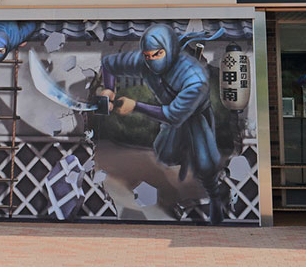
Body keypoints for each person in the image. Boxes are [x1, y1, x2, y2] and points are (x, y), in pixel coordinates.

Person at [97, 23, 229, 224]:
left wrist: (135, 106)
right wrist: (109, 89)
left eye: (157, 54)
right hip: (169, 115)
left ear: (169, 50)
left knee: (205, 162)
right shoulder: (144, 61)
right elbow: (109, 64)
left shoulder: (194, 77)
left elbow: (173, 115)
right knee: (165, 153)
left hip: (194, 116)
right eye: (147, 55)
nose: (152, 60)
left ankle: (215, 197)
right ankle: (178, 187)